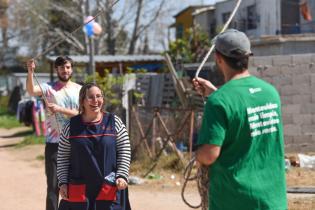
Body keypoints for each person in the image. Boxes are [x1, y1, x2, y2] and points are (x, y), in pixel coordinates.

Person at [193, 29, 287, 210]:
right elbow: (244, 112)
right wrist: (215, 92)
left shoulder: (218, 102)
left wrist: (196, 157)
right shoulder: (270, 93)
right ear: (247, 56)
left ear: (219, 58)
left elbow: (209, 155)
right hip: (272, 200)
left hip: (235, 200)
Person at [57, 83, 131, 210]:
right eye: (90, 97)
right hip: (79, 189)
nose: (95, 100)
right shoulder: (71, 126)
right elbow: (63, 157)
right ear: (82, 101)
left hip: (109, 187)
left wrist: (122, 175)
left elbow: (124, 149)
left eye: (99, 96)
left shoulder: (114, 122)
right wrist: (63, 182)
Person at [26, 56, 82, 210]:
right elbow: (31, 90)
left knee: (76, 185)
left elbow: (82, 114)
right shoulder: (47, 88)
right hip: (54, 145)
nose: (65, 70)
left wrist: (60, 109)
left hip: (76, 143)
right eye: (62, 67)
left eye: (68, 67)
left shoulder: (79, 89)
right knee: (53, 187)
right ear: (56, 69)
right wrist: (30, 72)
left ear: (72, 69)